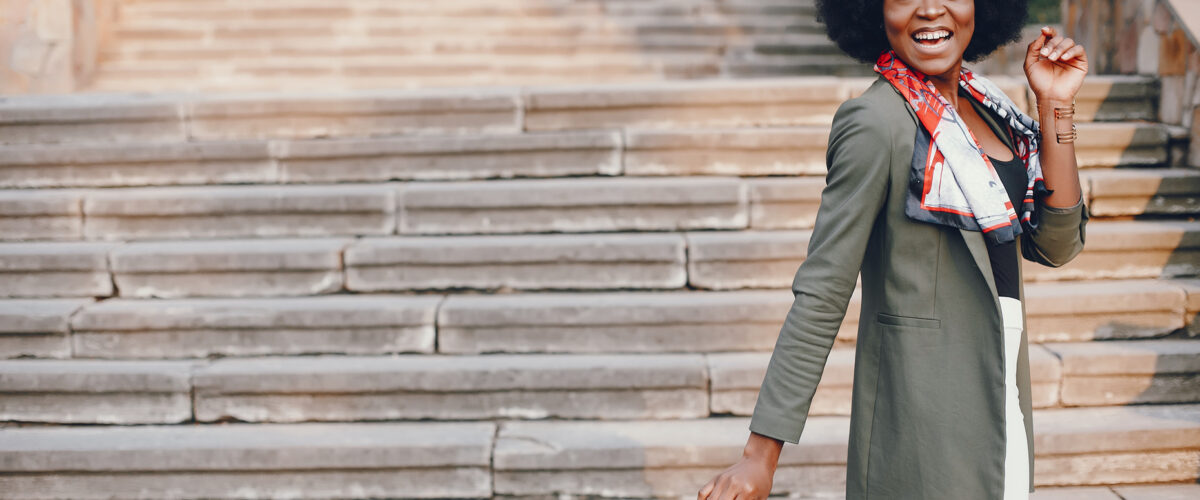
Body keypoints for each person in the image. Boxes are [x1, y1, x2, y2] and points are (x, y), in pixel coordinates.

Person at [698, 0, 1089, 499]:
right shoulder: (875, 122)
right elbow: (822, 293)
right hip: (922, 417)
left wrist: (1055, 106)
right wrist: (759, 456)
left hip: (1004, 386)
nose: (929, 9)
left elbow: (1056, 244)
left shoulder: (994, 111)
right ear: (873, 11)